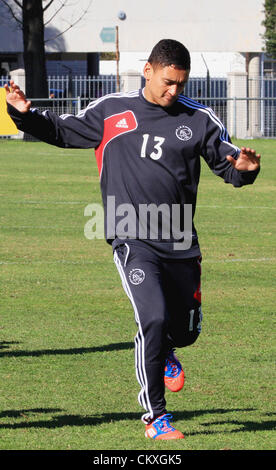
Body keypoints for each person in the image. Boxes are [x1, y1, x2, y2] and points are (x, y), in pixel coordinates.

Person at [5, 39, 260, 440]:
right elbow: (61, 129)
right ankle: (156, 418)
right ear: (148, 70)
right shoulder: (112, 109)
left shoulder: (200, 119)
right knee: (152, 319)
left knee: (186, 331)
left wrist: (245, 169)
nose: (173, 91)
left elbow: (229, 166)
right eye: (167, 81)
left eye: (180, 83)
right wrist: (24, 114)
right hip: (131, 237)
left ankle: (169, 349)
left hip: (179, 238)